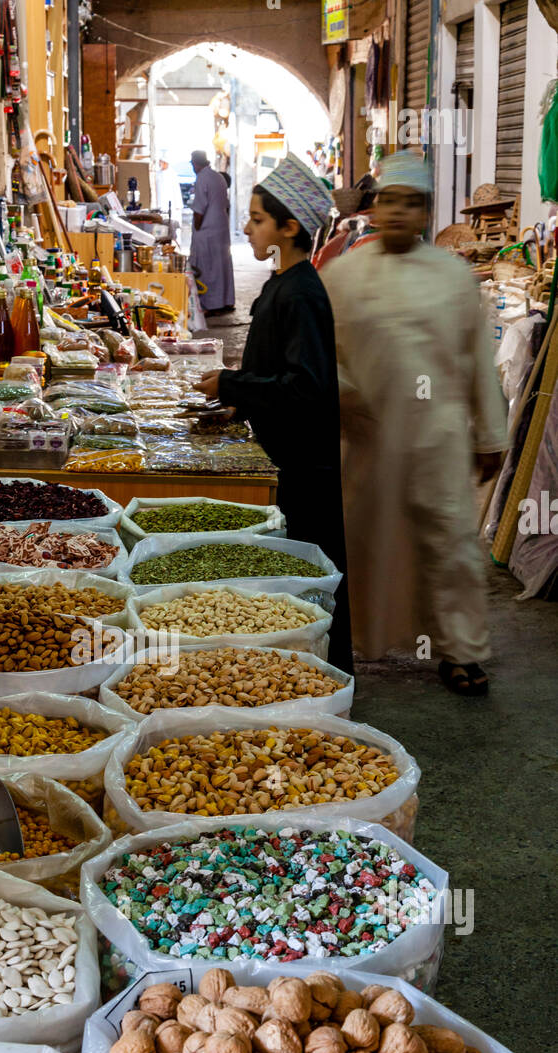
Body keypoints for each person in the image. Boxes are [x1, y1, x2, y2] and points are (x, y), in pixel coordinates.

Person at [321, 151, 507, 696]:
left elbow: (478, 361)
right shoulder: (344, 274)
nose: (399, 212)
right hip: (370, 439)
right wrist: (345, 399)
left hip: (439, 438)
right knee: (366, 544)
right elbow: (322, 354)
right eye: (390, 201)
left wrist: (490, 433)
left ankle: (461, 651)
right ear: (374, 208)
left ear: (426, 211)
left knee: (450, 544)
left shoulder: (452, 276)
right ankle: (353, 645)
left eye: (412, 203)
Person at [194, 153, 353, 674]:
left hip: (304, 462)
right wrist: (236, 404)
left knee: (308, 573)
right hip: (283, 449)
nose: (246, 227)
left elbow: (306, 386)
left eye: (258, 219)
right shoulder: (282, 284)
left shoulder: (302, 293)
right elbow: (278, 373)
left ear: (289, 227)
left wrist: (233, 382)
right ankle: (294, 672)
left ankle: (322, 678)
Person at [189, 150, 235, 317]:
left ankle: (211, 305)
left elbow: (200, 208)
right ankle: (226, 301)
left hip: (207, 229)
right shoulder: (218, 177)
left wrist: (197, 227)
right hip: (220, 227)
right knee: (221, 266)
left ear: (194, 164)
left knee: (207, 267)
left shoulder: (202, 178)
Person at [155, 149, 183, 233]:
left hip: (172, 204)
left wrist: (178, 205)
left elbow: (176, 191)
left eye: (162, 162)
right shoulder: (158, 174)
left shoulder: (172, 174)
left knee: (172, 225)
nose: (161, 164)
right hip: (160, 204)